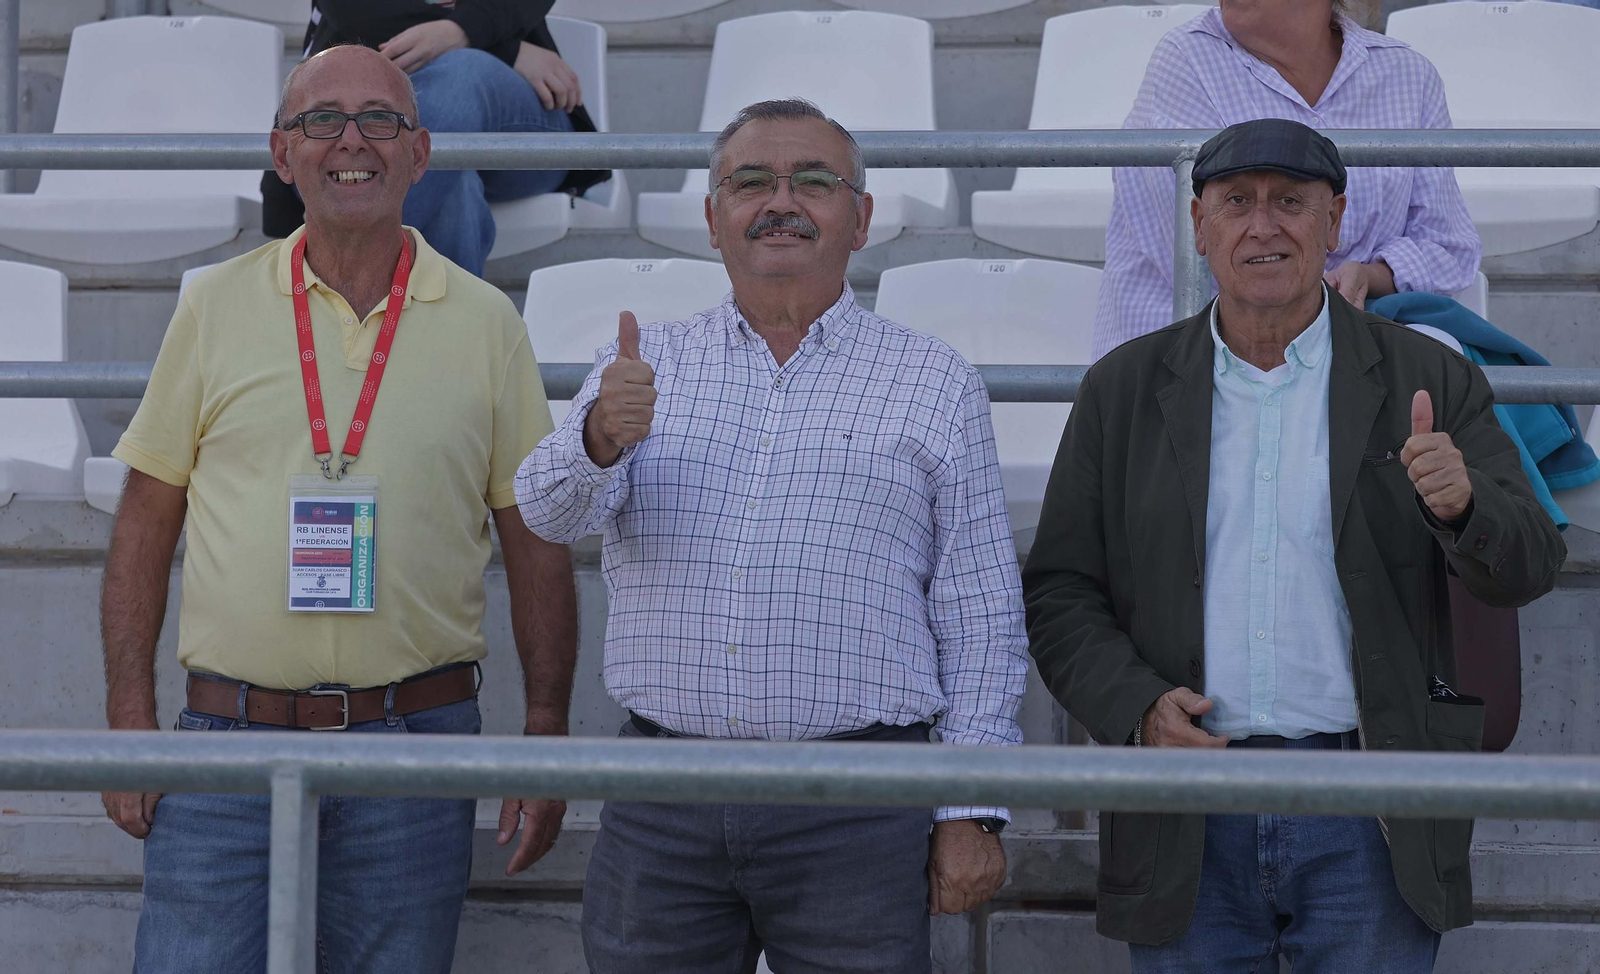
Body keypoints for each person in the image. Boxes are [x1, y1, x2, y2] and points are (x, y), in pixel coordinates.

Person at [1023, 118, 1566, 971]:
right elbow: (1060, 591)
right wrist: (1137, 707)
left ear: (1334, 220)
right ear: (1199, 225)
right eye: (1236, 202)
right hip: (1184, 807)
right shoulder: (1120, 389)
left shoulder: (1428, 374)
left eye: (1290, 202)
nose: (1262, 225)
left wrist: (1466, 508)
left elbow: (1530, 562)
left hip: (1370, 811)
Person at [515, 97, 1030, 973]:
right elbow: (547, 517)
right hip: (663, 800)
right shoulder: (642, 365)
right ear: (713, 216)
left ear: (860, 218)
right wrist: (598, 436)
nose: (780, 202)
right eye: (751, 181)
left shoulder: (934, 379)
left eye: (814, 182)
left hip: (860, 807)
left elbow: (980, 610)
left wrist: (971, 808)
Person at [103, 45, 577, 972]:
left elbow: (535, 536)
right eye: (322, 120)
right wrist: (128, 720)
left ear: (420, 153)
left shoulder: (488, 323)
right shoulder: (213, 306)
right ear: (282, 154)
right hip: (227, 746)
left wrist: (547, 734)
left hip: (417, 747)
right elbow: (146, 516)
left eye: (380, 120)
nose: (351, 141)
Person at [1094, 0, 1481, 358]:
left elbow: (1448, 249)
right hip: (1198, 361)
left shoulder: (1408, 75)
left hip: (1360, 358)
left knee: (1434, 369)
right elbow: (1200, 257)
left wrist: (1370, 276)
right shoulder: (1185, 59)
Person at [261, 0, 610, 277]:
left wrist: (464, 34)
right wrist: (498, 46)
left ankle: (343, 281)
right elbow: (357, 11)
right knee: (452, 184)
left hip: (518, 117)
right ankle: (447, 342)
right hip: (375, 134)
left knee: (462, 75)